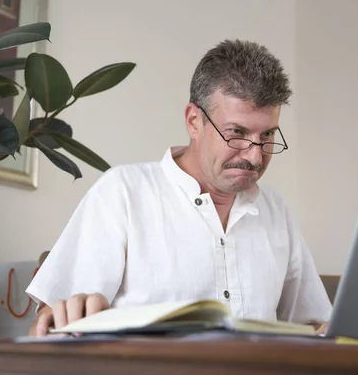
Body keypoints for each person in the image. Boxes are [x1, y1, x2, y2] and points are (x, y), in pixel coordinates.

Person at [25, 39, 332, 337]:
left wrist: (328, 331)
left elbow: (312, 325)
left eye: (267, 136)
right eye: (236, 133)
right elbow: (50, 322)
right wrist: (56, 318)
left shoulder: (276, 209)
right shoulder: (123, 193)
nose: (254, 155)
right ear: (194, 121)